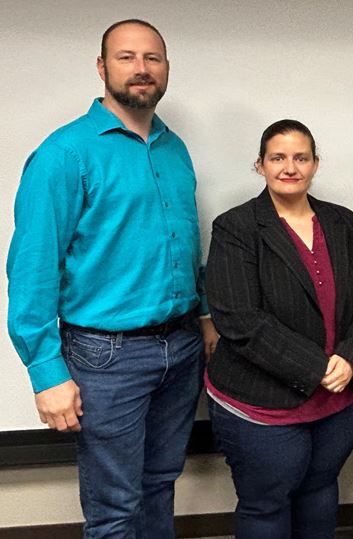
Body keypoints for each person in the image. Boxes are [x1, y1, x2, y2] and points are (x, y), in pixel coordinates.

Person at [6, 19, 218, 537]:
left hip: (180, 347)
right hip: (107, 358)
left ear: (166, 68)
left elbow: (185, 244)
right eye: (127, 57)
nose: (141, 68)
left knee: (160, 483)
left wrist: (205, 315)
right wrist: (46, 372)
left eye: (152, 58)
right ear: (102, 68)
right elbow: (32, 268)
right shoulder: (64, 154)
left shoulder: (173, 148)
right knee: (115, 508)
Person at [205, 119, 353, 538]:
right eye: (277, 158)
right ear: (259, 165)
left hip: (338, 400)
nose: (290, 167)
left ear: (316, 164)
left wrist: (352, 357)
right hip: (262, 404)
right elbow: (238, 319)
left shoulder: (342, 222)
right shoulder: (236, 227)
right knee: (266, 505)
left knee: (320, 491)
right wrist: (317, 367)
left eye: (301, 158)